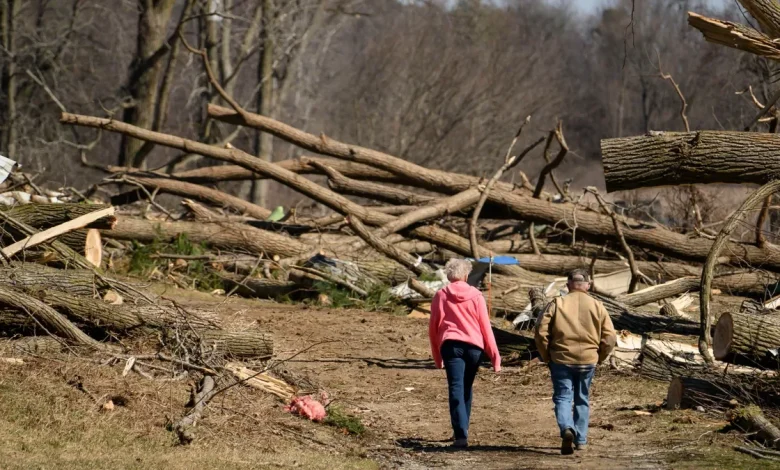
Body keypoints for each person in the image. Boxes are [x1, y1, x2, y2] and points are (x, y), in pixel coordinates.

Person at [534, 269, 616, 455]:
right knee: (582, 399)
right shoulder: (598, 305)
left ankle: (566, 428)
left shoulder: (557, 303)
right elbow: (610, 337)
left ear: (568, 284)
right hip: (588, 360)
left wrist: (546, 355)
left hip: (561, 359)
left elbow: (540, 331)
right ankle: (581, 440)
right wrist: (600, 356)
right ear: (588, 285)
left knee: (563, 397)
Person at [428, 258, 501, 448]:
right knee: (466, 388)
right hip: (474, 347)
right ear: (466, 275)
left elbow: (433, 328)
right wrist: (495, 357)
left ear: (448, 275)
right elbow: (486, 327)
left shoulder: (441, 295)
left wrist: (437, 357)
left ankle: (460, 434)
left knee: (456, 388)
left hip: (451, 346)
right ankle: (462, 430)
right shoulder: (476, 295)